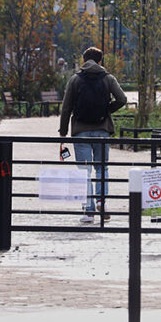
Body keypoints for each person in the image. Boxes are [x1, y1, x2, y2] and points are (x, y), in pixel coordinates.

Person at [58, 47, 127, 223]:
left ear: (84, 61)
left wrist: (63, 133)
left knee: (84, 171)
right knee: (101, 168)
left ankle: (88, 211)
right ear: (100, 61)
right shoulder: (108, 78)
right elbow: (122, 99)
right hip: (102, 129)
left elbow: (66, 108)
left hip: (80, 131)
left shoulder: (75, 79)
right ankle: (101, 203)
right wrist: (107, 110)